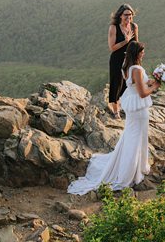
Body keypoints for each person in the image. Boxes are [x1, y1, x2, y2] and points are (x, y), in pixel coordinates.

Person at [68, 41, 159, 195]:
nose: (143, 54)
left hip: (132, 104)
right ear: (136, 53)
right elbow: (143, 93)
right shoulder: (136, 68)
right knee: (136, 138)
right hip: (139, 107)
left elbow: (135, 84)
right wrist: (155, 86)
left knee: (131, 136)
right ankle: (129, 173)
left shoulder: (126, 66)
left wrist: (149, 81)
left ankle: (135, 166)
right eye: (142, 52)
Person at [107, 4, 138, 119]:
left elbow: (136, 45)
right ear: (120, 15)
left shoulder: (134, 27)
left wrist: (138, 59)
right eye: (126, 15)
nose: (128, 17)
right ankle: (116, 111)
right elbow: (112, 48)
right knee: (116, 84)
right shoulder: (114, 27)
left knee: (129, 85)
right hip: (117, 59)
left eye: (130, 15)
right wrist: (126, 41)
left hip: (130, 60)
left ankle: (125, 108)